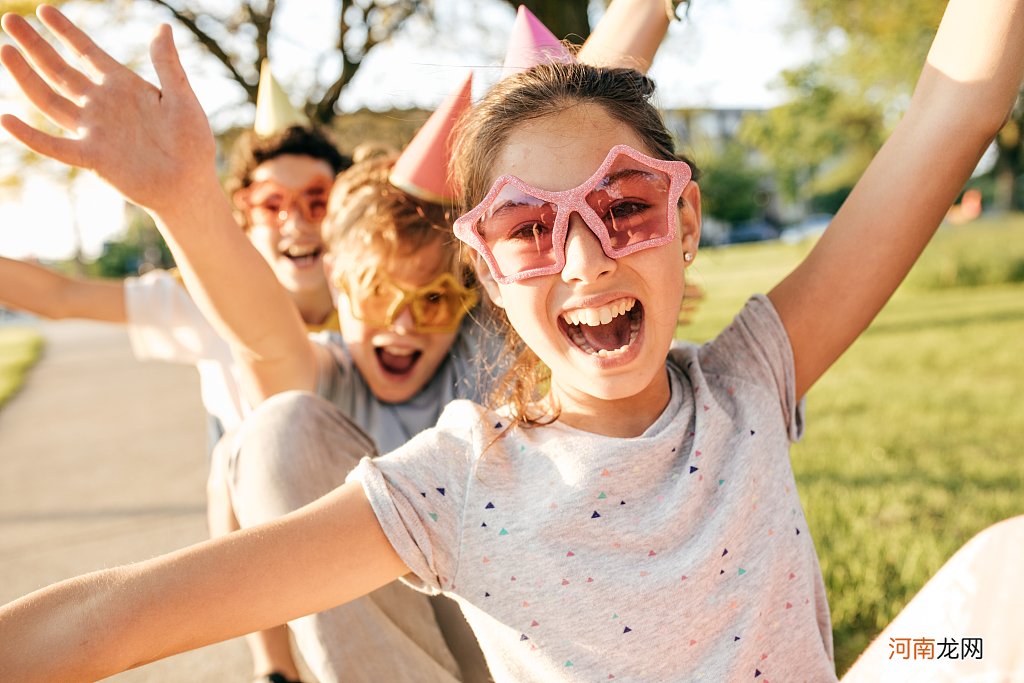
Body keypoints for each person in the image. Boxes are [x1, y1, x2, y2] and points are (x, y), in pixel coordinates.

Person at [5, 1, 1023, 682]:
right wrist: (190, 199)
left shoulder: (751, 377)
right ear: (487, 270)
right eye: (530, 228)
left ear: (686, 220)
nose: (584, 261)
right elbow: (118, 616)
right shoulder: (453, 483)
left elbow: (955, 103)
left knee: (996, 595)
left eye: (624, 205)